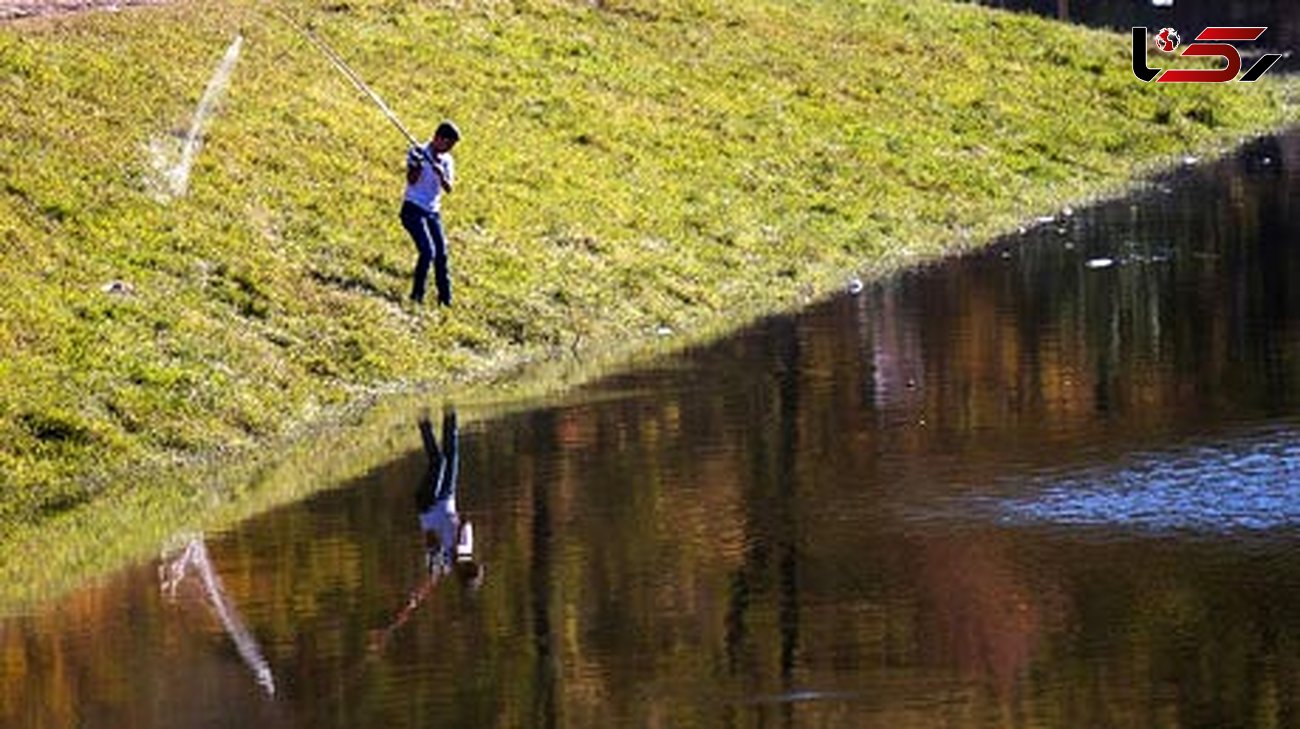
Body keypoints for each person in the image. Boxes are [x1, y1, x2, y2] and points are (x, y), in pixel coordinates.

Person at [400, 121, 460, 306]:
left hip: (433, 212)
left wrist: (441, 173)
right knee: (427, 251)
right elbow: (411, 180)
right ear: (439, 138)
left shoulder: (447, 160)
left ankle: (445, 299)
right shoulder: (418, 151)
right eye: (448, 144)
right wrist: (417, 164)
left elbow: (449, 188)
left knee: (441, 254)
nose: (449, 149)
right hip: (413, 209)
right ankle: (417, 296)